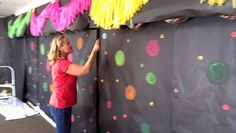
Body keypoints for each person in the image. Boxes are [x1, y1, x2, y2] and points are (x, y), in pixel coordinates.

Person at [47, 34, 99, 133]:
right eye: (68, 43)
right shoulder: (62, 63)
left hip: (60, 104)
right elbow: (85, 70)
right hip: (60, 105)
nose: (71, 45)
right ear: (61, 48)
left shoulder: (61, 62)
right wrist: (94, 50)